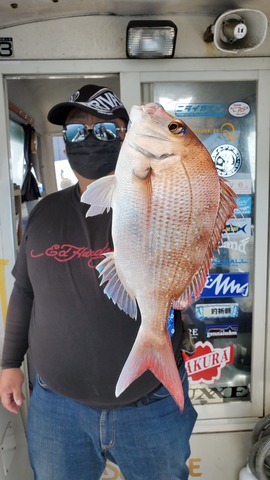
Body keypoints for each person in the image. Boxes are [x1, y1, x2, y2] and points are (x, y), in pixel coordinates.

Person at [0, 84, 197, 480]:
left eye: (105, 130)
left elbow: (189, 253)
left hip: (150, 403)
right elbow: (24, 291)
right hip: (56, 407)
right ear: (65, 142)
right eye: (76, 131)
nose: (89, 139)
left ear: (128, 137)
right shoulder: (43, 213)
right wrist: (8, 363)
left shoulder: (162, 202)